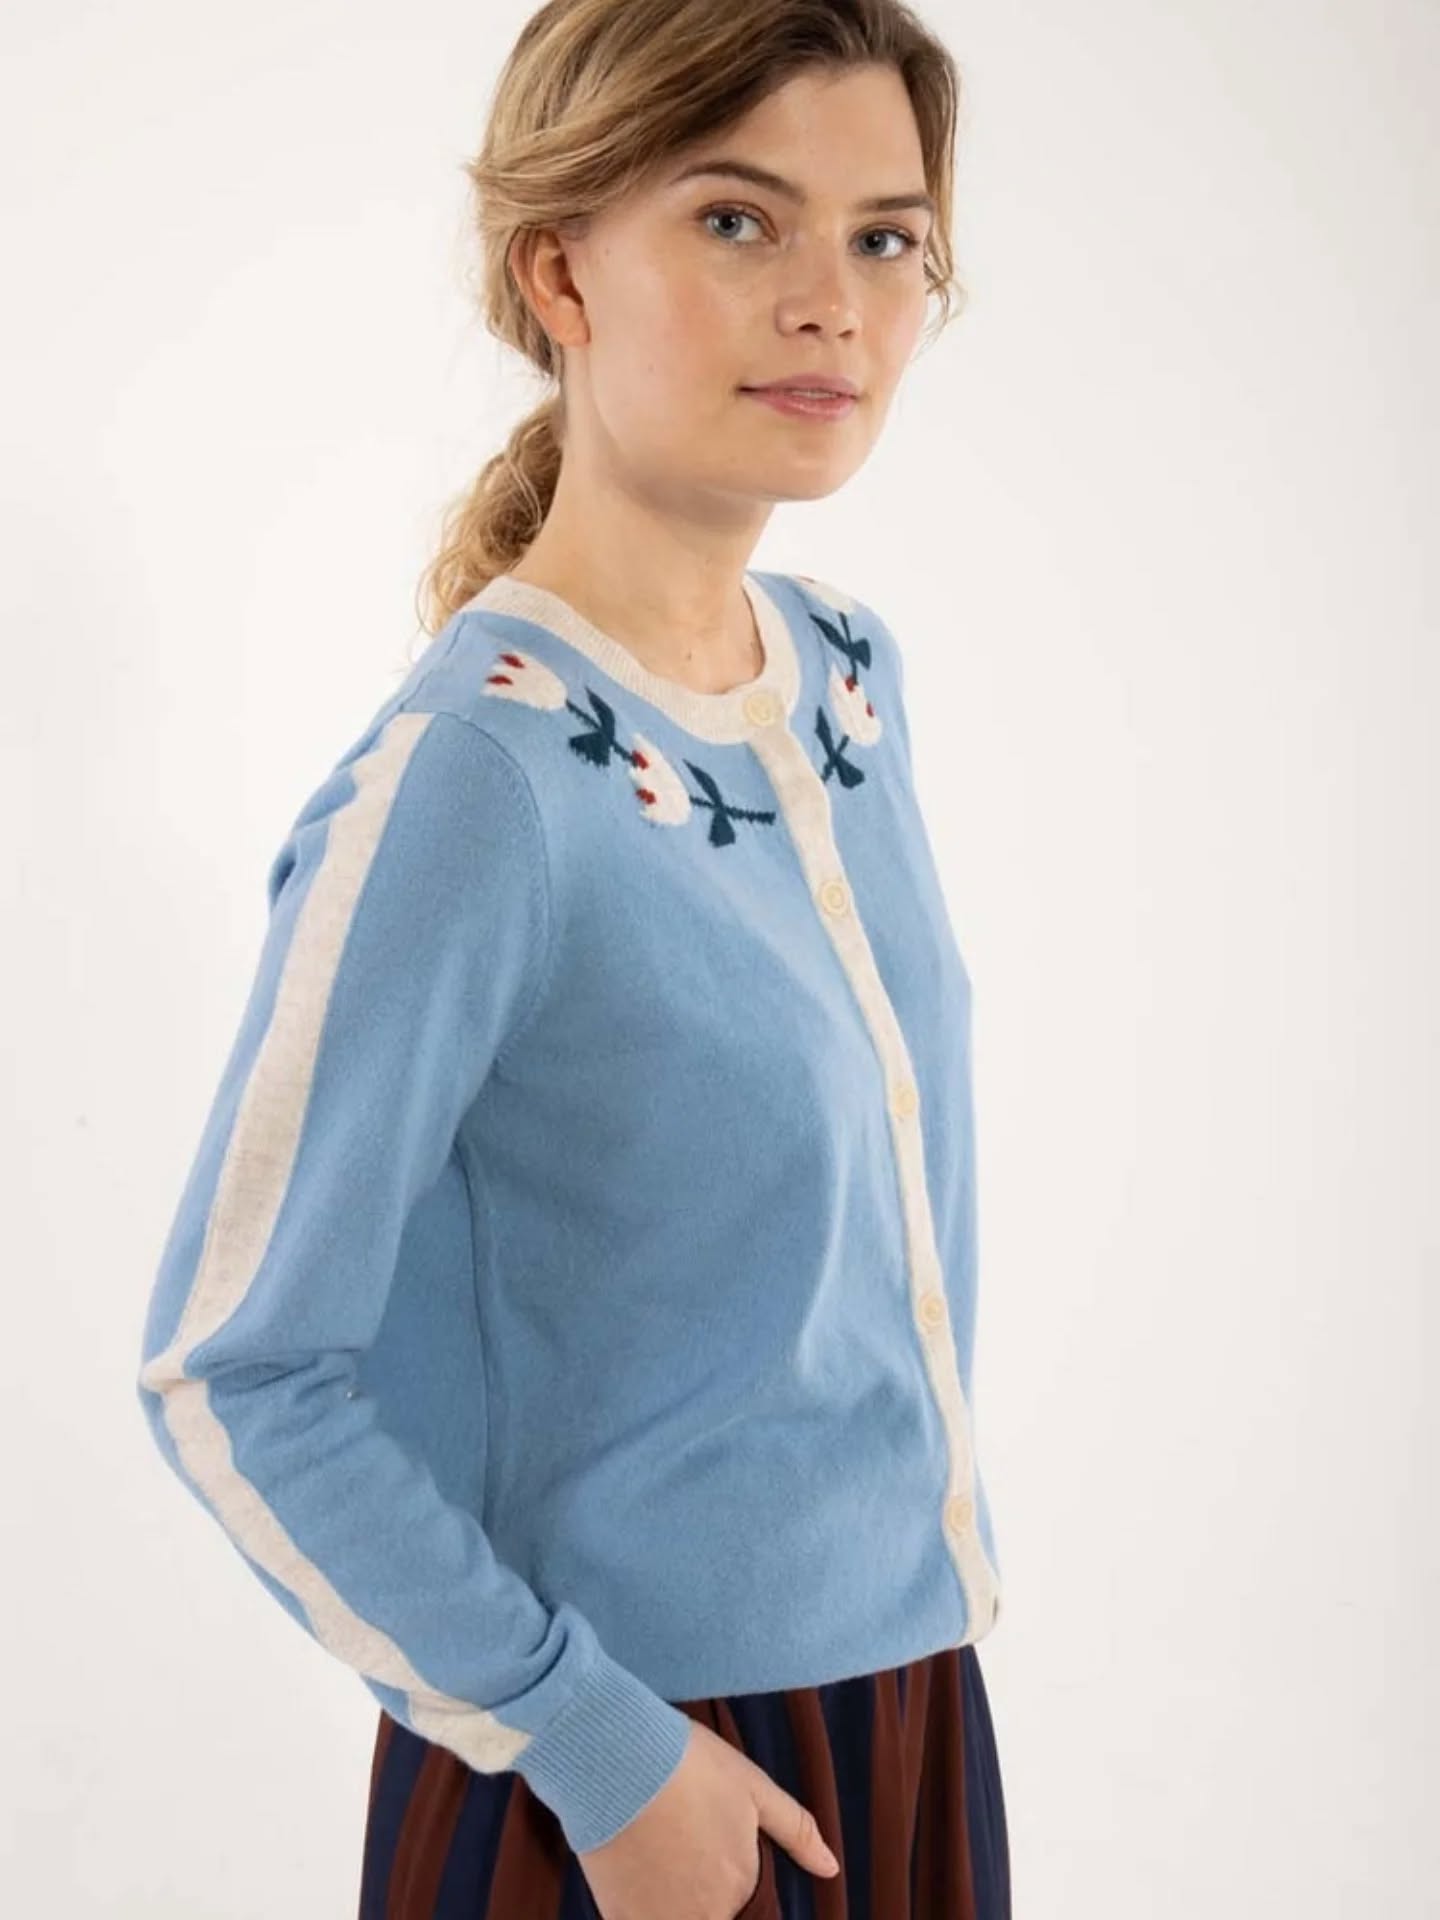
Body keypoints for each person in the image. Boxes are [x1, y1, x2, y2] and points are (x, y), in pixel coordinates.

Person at [134, 0, 1012, 1914]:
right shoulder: (476, 783)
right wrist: (598, 1754)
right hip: (632, 1778)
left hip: (908, 1708)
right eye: (736, 219)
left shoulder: (847, 678)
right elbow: (232, 1370)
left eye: (885, 237)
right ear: (559, 271)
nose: (831, 305)